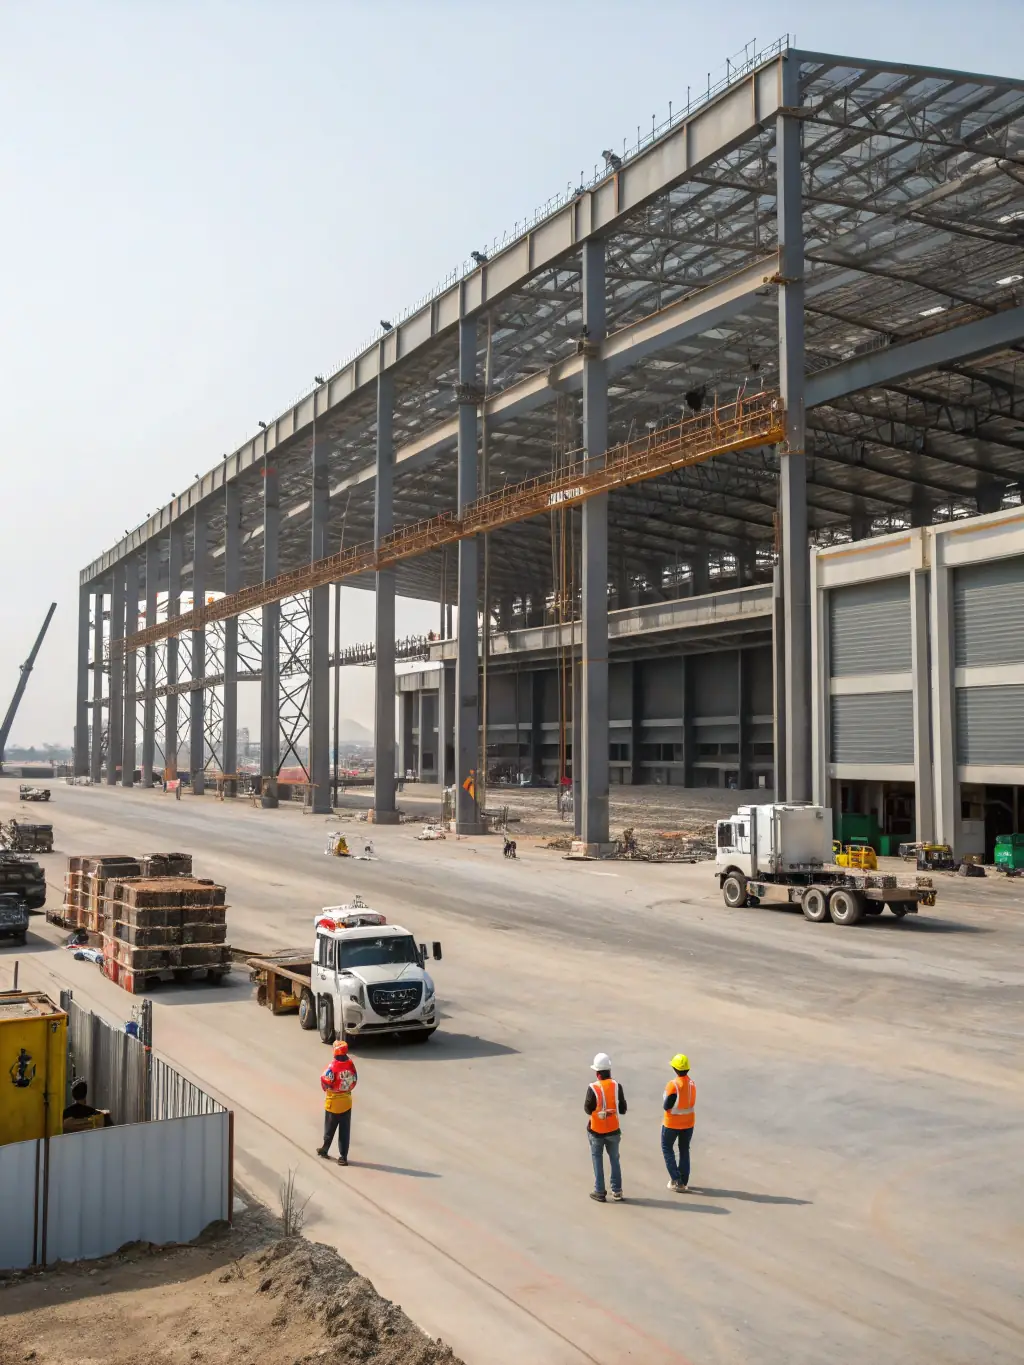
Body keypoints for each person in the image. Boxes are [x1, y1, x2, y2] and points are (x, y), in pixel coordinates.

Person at [584, 1052, 626, 1202]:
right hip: (613, 1131)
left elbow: (587, 1109)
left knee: (597, 1158)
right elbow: (623, 1109)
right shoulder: (616, 1086)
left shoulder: (593, 1088)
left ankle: (599, 1191)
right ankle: (617, 1191)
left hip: (596, 1131)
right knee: (614, 1159)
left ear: (598, 1073)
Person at [318, 1039, 357, 1165]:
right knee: (344, 1131)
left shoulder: (333, 1066)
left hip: (333, 1103)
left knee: (329, 1129)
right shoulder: (350, 1064)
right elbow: (354, 1080)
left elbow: (325, 1081)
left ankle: (325, 1149)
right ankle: (343, 1157)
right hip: (346, 1102)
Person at [662, 1053, 696, 1192]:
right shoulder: (692, 1084)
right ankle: (683, 1180)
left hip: (672, 1123)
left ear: (675, 1069)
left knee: (667, 1148)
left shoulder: (673, 1085)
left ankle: (676, 1181)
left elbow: (666, 1106)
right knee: (684, 1149)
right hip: (688, 1123)